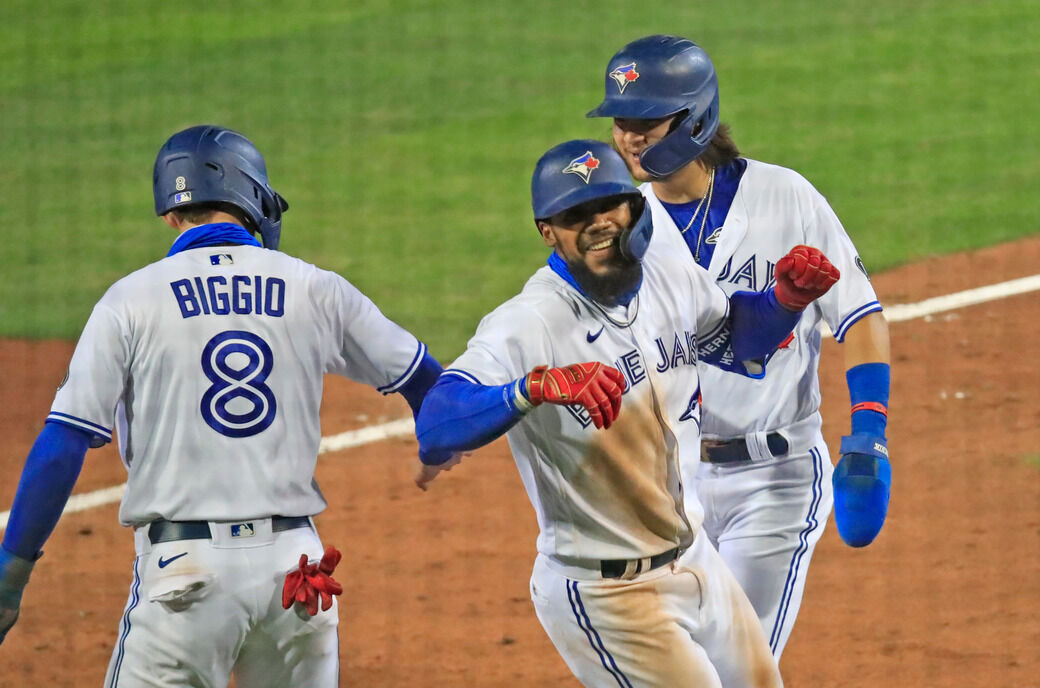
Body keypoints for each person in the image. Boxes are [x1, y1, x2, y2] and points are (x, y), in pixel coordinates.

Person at [0, 125, 443, 687]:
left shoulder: (130, 300)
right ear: (254, 196)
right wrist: (442, 438)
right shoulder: (314, 287)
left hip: (187, 578)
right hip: (298, 575)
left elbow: (63, 444)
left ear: (169, 216)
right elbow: (431, 385)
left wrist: (11, 579)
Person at [414, 139, 840, 687]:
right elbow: (436, 423)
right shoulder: (529, 322)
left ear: (634, 208)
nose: (598, 223)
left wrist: (784, 299)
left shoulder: (670, 279)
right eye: (575, 215)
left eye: (609, 205)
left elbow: (735, 340)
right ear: (547, 231)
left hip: (697, 558)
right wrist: (532, 388)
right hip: (609, 593)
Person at [586, 34, 893, 657]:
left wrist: (869, 434)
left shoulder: (785, 198)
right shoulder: (624, 226)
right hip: (671, 487)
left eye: (647, 121)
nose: (629, 137)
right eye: (622, 122)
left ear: (696, 117)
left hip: (773, 481)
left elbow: (859, 316)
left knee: (732, 669)